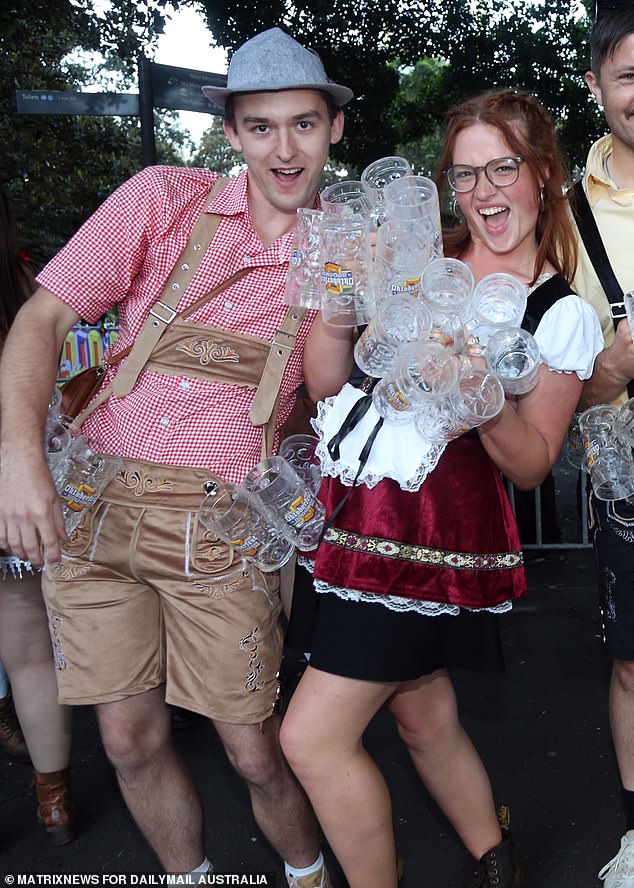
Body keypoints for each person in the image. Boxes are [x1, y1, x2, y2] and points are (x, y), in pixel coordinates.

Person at [0, 28, 352, 886]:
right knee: (125, 739)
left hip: (221, 521)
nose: (284, 148)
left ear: (333, 130)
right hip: (93, 506)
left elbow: (329, 384)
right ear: (230, 132)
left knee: (255, 751)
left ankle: (306, 875)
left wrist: (347, 307)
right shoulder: (162, 197)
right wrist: (19, 458)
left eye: (303, 124)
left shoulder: (349, 240)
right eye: (261, 127)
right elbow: (42, 321)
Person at [280, 89, 603, 888]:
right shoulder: (412, 261)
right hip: (346, 519)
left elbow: (532, 465)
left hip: (421, 544)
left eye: (504, 168)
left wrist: (483, 398)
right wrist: (340, 298)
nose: (485, 192)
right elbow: (328, 388)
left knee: (311, 741)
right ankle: (497, 860)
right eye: (465, 175)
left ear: (542, 174)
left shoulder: (558, 311)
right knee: (421, 714)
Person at [570, 4, 634, 886]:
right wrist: (608, 372)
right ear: (597, 87)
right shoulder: (560, 211)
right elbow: (537, 382)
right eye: (631, 77)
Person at [0, 184, 75, 842]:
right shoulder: (22, 282)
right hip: (13, 472)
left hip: (13, 474)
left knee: (26, 647)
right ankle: (54, 799)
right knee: (27, 647)